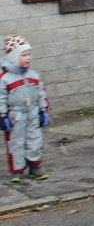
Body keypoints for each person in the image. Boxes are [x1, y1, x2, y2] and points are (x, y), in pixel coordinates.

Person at [0, 35, 50, 182]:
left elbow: (41, 93)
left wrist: (43, 110)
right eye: (24, 55)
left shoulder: (33, 76)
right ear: (14, 57)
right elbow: (1, 97)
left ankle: (34, 165)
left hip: (33, 113)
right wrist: (2, 115)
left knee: (35, 139)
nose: (28, 58)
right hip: (16, 116)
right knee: (16, 141)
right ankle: (17, 170)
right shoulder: (5, 78)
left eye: (29, 54)